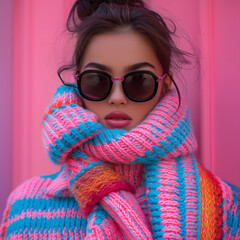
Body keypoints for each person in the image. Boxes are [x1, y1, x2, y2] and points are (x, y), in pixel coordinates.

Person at [1, 0, 239, 239]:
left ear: (164, 84)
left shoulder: (224, 207)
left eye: (138, 81)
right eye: (97, 80)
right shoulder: (25, 206)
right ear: (78, 84)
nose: (117, 98)